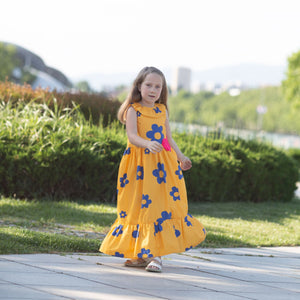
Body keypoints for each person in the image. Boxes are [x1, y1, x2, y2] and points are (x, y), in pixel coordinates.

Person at [99, 66, 206, 272]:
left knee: (158, 206)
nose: (153, 90)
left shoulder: (162, 110)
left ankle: (156, 256)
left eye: (158, 86)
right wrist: (147, 143)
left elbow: (168, 139)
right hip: (138, 165)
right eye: (149, 85)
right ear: (139, 86)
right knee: (138, 206)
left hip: (162, 167)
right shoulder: (133, 110)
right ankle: (142, 254)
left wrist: (181, 157)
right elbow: (132, 136)